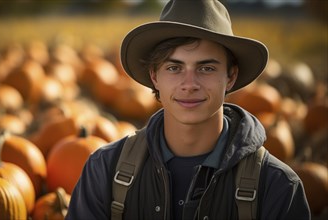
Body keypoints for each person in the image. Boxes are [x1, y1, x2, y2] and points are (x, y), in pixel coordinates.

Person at [65, 0, 311, 219]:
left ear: (231, 76)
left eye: (206, 68)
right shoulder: (104, 170)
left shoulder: (277, 187)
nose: (190, 85)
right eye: (174, 68)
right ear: (154, 77)